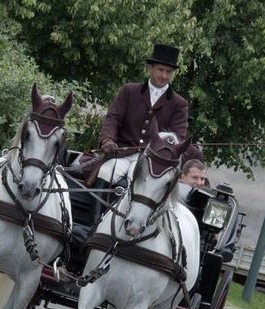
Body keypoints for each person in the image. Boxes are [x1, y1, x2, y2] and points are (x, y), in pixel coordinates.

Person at [77, 43, 190, 221]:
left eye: (169, 72)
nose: (164, 75)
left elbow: (177, 137)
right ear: (150, 68)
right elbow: (113, 118)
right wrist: (107, 140)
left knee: (138, 183)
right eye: (161, 70)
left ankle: (129, 221)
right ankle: (96, 221)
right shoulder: (129, 91)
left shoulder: (179, 104)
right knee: (106, 172)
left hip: (152, 160)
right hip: (122, 152)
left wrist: (163, 148)